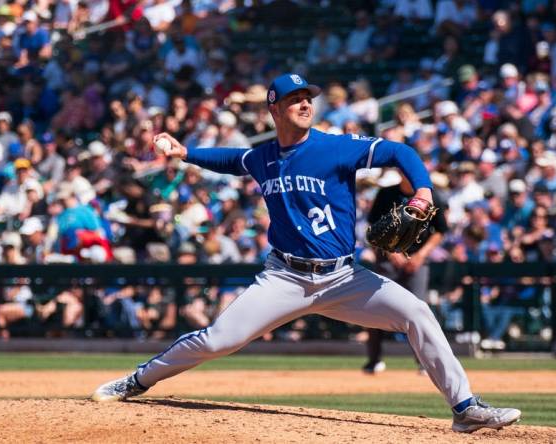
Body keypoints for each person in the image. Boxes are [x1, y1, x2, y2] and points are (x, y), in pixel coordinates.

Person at [92, 73, 521, 433]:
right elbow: (231, 158)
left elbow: (399, 151)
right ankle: (137, 380)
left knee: (417, 313)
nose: (304, 104)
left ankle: (465, 409)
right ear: (274, 109)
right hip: (284, 278)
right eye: (295, 99)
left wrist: (423, 190)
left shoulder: (334, 147)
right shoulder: (264, 158)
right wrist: (186, 154)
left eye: (307, 99)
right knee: (219, 340)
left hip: (343, 279)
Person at [362, 171, 447, 376]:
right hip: (388, 259)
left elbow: (440, 231)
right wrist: (392, 252)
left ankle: (424, 362)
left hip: (418, 260)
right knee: (376, 308)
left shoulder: (429, 196)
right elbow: (373, 227)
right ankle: (374, 360)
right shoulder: (386, 194)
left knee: (419, 309)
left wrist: (420, 256)